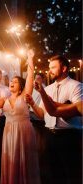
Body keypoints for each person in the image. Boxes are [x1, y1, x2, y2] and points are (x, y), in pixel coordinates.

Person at [0, 50, 40, 184]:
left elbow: (30, 77)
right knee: (11, 157)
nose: (12, 83)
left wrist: (30, 58)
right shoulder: (4, 99)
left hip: (24, 130)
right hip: (8, 132)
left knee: (24, 158)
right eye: (11, 81)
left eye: (15, 81)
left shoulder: (25, 96)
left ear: (21, 87)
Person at [26, 55, 82, 184]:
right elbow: (42, 115)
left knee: (71, 175)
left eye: (53, 67)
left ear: (63, 68)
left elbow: (69, 113)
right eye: (49, 67)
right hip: (49, 136)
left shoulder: (76, 86)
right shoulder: (48, 88)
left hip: (69, 136)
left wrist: (44, 95)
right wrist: (33, 103)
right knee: (51, 174)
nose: (50, 70)